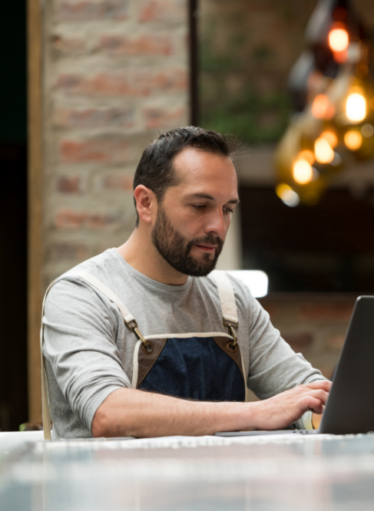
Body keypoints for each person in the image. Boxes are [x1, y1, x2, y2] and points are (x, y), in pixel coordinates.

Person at [41, 127, 331, 439]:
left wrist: (324, 407)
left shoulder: (231, 299)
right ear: (146, 203)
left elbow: (307, 395)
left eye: (227, 209)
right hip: (114, 488)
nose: (218, 226)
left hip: (221, 488)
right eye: (199, 206)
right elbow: (108, 412)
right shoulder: (80, 295)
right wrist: (258, 412)